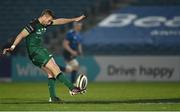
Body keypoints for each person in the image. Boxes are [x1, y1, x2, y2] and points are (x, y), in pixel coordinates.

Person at [3, 9, 86, 103]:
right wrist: (12, 47)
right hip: (35, 51)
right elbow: (21, 35)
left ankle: (53, 98)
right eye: (49, 20)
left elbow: (59, 21)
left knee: (51, 73)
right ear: (44, 16)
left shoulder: (46, 23)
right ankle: (72, 88)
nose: (50, 22)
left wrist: (74, 19)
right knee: (55, 68)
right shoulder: (33, 25)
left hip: (39, 51)